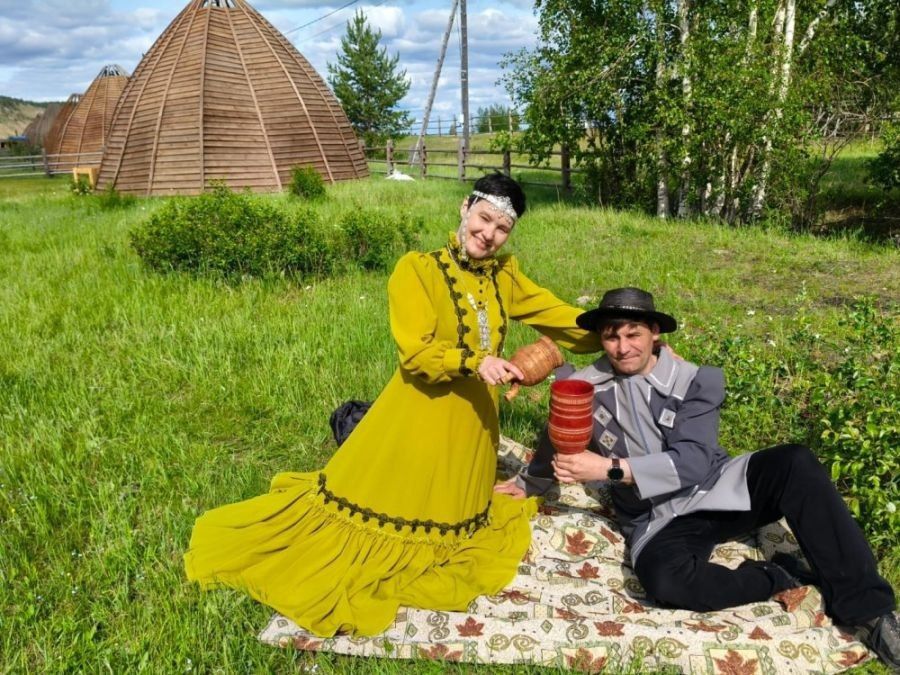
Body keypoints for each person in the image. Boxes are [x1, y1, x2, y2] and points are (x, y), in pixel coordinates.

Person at [183, 173, 602, 637]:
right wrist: (475, 361)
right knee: (380, 524)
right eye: (484, 219)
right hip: (419, 411)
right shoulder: (418, 270)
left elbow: (566, 319)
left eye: (502, 228)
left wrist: (622, 331)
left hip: (474, 424)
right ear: (465, 208)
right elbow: (416, 354)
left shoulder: (506, 277)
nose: (489, 234)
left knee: (457, 526)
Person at [495, 287, 899, 668]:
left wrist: (608, 469)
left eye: (634, 334)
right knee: (666, 583)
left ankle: (870, 612)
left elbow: (693, 462)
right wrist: (530, 482)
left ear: (655, 333)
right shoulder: (586, 385)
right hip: (655, 516)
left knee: (796, 462)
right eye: (611, 336)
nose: (622, 347)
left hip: (718, 490)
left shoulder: (693, 380)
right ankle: (778, 575)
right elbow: (559, 433)